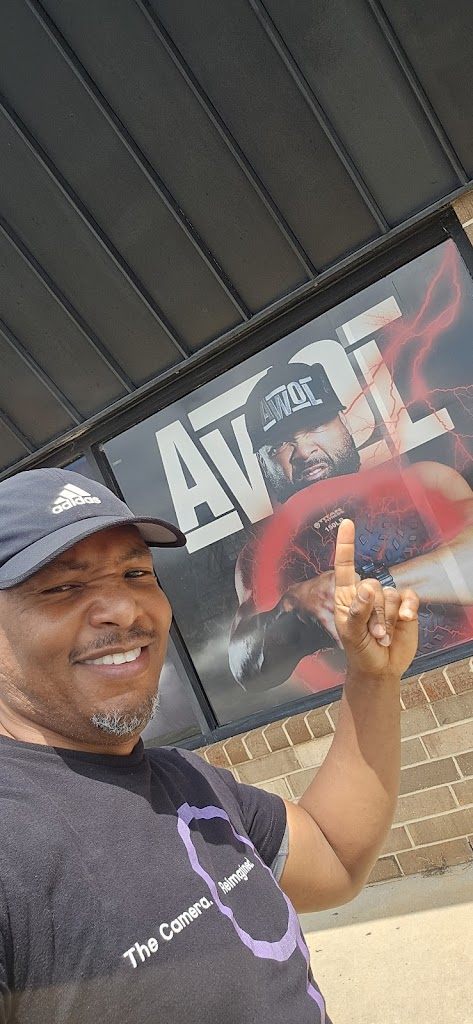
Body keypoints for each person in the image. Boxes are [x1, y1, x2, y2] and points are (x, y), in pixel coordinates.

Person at [0, 467, 419, 1023]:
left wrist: (373, 677)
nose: (124, 609)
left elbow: (335, 857)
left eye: (135, 573)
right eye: (63, 587)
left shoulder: (189, 782)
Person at [229, 362, 473, 691]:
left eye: (315, 426)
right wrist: (290, 609)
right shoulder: (259, 557)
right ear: (262, 462)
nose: (303, 451)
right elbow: (246, 669)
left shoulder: (422, 482)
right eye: (279, 446)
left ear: (343, 423)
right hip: (369, 708)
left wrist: (364, 591)